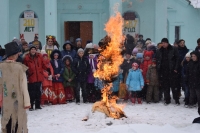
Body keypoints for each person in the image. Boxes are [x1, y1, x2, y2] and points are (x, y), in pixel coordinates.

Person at [0, 42, 30, 133]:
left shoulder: (1, 66)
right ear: (15, 54)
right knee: (18, 121)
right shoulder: (20, 68)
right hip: (17, 98)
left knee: (7, 120)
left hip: (5, 99)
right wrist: (27, 102)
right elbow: (24, 86)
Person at [156, 38, 180, 105]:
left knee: (174, 86)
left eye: (164, 43)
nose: (163, 44)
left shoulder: (173, 49)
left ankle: (176, 99)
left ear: (167, 43)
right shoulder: (159, 50)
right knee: (165, 86)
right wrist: (159, 68)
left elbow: (177, 59)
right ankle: (167, 99)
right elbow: (158, 60)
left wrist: (175, 68)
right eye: (162, 43)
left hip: (172, 70)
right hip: (163, 71)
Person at [23, 45, 46, 111]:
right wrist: (28, 72)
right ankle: (31, 106)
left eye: (34, 49)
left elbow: (43, 64)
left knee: (38, 92)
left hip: (39, 76)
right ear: (29, 50)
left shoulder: (39, 56)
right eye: (32, 49)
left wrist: (46, 68)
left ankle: (38, 105)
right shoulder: (26, 58)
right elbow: (25, 67)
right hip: (31, 77)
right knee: (31, 92)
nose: (33, 50)